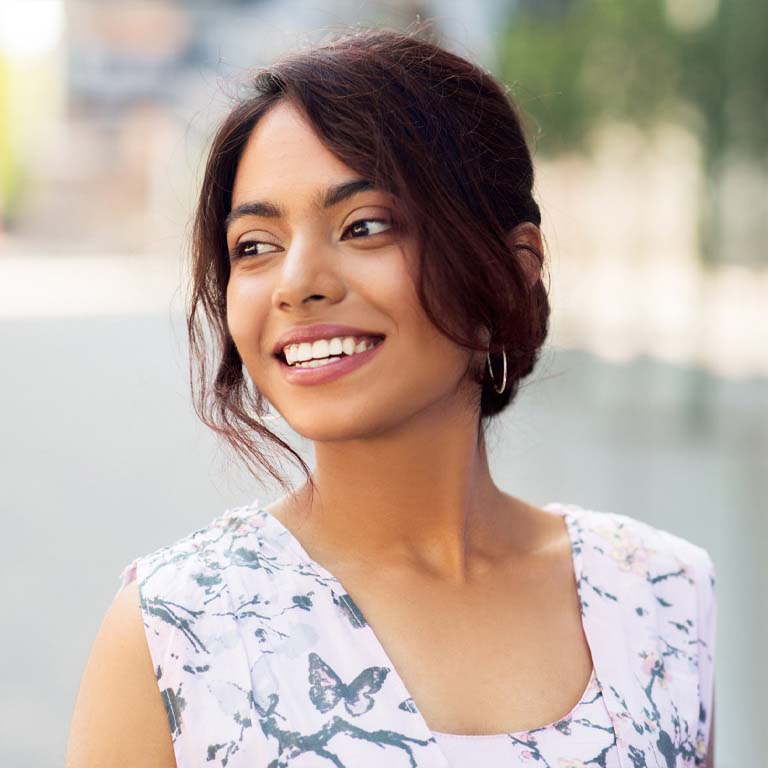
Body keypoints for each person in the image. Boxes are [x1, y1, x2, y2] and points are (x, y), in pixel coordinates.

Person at [65, 27, 716, 768]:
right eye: (254, 244)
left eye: (363, 226)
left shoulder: (660, 593)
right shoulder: (176, 630)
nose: (298, 281)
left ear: (512, 268)